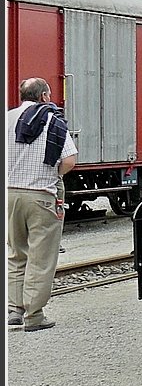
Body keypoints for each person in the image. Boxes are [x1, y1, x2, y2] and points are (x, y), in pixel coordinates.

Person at [7, 77, 79, 331]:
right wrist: (52, 173)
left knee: (16, 253)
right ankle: (34, 316)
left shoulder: (8, 118)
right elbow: (69, 160)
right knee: (41, 257)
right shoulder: (53, 120)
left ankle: (14, 310)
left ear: (22, 95)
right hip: (41, 195)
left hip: (10, 195)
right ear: (45, 96)